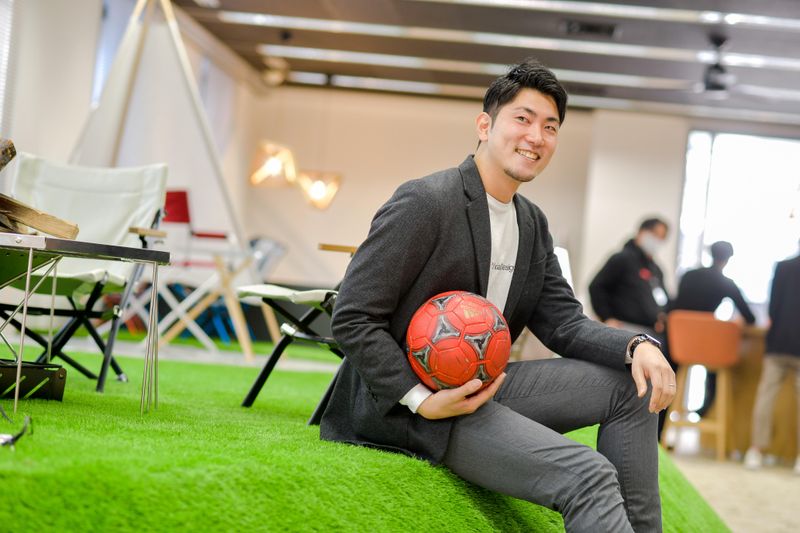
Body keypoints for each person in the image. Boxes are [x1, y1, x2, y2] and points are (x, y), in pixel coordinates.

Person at [320, 58, 675, 532]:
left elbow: (564, 324)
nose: (536, 136)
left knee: (633, 387)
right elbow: (353, 315)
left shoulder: (532, 223)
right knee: (589, 475)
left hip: (484, 385)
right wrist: (420, 398)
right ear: (485, 125)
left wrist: (637, 346)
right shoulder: (426, 201)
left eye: (550, 127)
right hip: (409, 408)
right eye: (522, 119)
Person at [670, 241, 756, 417]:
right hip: (705, 347)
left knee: (687, 363)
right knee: (715, 364)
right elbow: (750, 318)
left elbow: (676, 304)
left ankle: (666, 415)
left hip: (677, 343)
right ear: (728, 259)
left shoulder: (689, 275)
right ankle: (705, 409)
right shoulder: (726, 283)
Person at [743, 246, 800, 474]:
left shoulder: (783, 267)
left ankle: (755, 451)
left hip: (778, 342)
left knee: (766, 396)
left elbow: (773, 308)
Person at [588, 218, 671, 336]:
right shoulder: (622, 259)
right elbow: (597, 287)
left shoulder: (656, 270)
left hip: (651, 331)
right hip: (624, 329)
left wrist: (661, 316)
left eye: (662, 238)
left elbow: (662, 297)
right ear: (642, 232)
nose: (658, 241)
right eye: (655, 235)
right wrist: (607, 317)